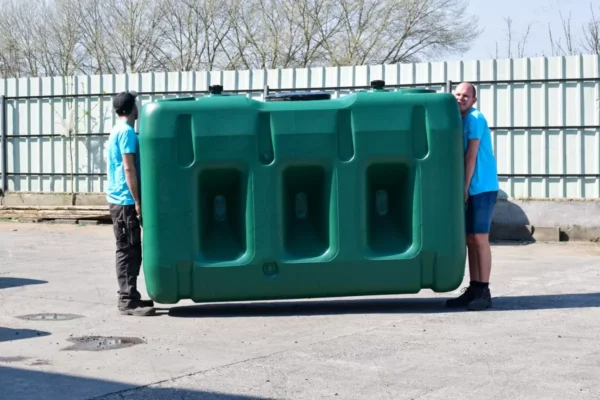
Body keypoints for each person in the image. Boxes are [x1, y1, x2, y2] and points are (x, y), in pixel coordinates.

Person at [447, 82, 499, 311]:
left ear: (474, 100)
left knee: (479, 238)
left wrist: (465, 188)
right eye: (457, 94)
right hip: (470, 187)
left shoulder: (475, 118)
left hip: (482, 187)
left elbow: (471, 156)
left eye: (466, 95)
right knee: (469, 239)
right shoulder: (458, 119)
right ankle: (474, 288)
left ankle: (484, 290)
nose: (461, 98)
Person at [106, 91, 155, 316]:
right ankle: (127, 300)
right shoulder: (127, 133)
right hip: (124, 200)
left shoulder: (118, 130)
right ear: (132, 108)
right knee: (127, 249)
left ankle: (132, 296)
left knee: (132, 247)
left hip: (120, 199)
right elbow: (128, 167)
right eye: (136, 104)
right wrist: (137, 200)